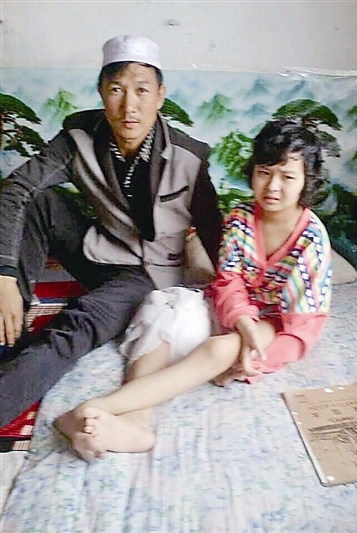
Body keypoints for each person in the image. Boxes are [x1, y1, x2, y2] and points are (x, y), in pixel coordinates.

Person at [55, 118, 333, 461]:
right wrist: (242, 320)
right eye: (264, 172)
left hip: (276, 323)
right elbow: (228, 281)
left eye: (287, 177)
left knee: (220, 349)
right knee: (166, 308)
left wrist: (253, 356)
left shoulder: (311, 239)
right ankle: (136, 421)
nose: (273, 186)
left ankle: (92, 408)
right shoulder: (241, 218)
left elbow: (302, 328)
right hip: (233, 310)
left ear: (306, 181)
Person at [0, 35, 222, 427]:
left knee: (77, 322)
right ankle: (9, 325)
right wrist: (4, 276)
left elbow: (214, 232)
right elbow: (17, 189)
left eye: (142, 90)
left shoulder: (189, 157)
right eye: (117, 89)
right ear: (102, 92)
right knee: (38, 200)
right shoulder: (78, 137)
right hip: (99, 250)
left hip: (148, 274)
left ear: (160, 96)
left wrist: (235, 306)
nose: (129, 105)